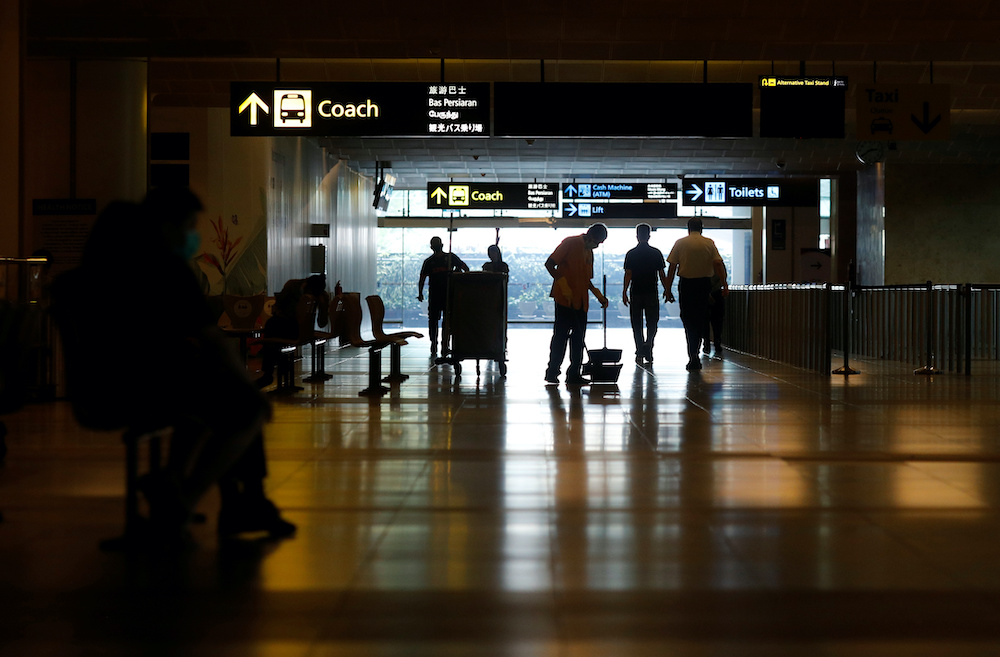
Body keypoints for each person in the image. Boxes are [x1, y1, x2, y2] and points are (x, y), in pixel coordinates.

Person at [52, 188, 294, 545]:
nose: (192, 234)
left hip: (96, 395)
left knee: (218, 400)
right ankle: (189, 499)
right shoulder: (165, 272)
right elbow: (212, 341)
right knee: (241, 404)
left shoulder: (71, 284)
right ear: (163, 227)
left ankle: (195, 489)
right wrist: (248, 388)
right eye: (188, 226)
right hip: (150, 390)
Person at [543, 223, 609, 385]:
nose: (597, 246)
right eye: (597, 242)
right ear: (590, 236)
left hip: (580, 302)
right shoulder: (570, 243)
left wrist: (599, 295)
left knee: (579, 339)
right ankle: (552, 372)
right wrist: (563, 284)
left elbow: (587, 280)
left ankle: (574, 374)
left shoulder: (589, 252)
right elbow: (549, 264)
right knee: (560, 337)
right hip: (564, 299)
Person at [664, 218, 729, 371]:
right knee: (701, 319)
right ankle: (696, 352)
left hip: (686, 285)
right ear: (702, 228)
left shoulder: (680, 242)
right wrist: (724, 284)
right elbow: (718, 263)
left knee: (688, 319)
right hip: (704, 285)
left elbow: (672, 267)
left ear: (688, 228)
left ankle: (692, 353)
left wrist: (668, 289)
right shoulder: (709, 243)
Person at [255, 274, 331, 389]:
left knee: (272, 330)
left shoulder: (318, 293)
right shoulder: (292, 286)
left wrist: (324, 306)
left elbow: (322, 323)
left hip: (296, 330)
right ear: (305, 284)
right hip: (288, 327)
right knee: (273, 327)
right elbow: (277, 307)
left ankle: (269, 372)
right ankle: (275, 369)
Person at [622, 223, 668, 366]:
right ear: (649, 235)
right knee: (652, 321)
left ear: (637, 236)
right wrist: (667, 289)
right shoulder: (656, 253)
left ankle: (639, 350)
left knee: (636, 323)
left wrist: (624, 291)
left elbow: (628, 274)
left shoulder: (631, 253)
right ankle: (649, 345)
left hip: (636, 291)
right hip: (651, 291)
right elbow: (661, 274)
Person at [417, 236, 469, 357]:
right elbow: (422, 279)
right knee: (435, 321)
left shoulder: (449, 258)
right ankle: (435, 343)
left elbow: (465, 268)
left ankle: (444, 343)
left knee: (446, 321)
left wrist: (458, 277)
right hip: (437, 296)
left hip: (448, 295)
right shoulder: (430, 262)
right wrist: (420, 293)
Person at [702, 272, 727, 357]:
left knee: (704, 320)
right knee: (717, 320)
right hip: (717, 292)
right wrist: (725, 286)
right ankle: (717, 342)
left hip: (703, 293)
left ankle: (706, 343)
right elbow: (723, 275)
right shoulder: (718, 263)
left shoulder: (702, 264)